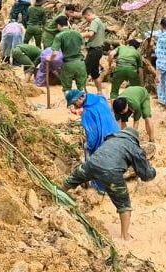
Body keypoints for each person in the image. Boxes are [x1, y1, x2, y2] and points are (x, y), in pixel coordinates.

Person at [63, 90, 156, 240]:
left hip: (93, 162)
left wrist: (88, 146)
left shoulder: (111, 136)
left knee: (71, 180)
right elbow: (146, 174)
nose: (75, 105)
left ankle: (57, 194)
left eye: (74, 103)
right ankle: (125, 237)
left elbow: (93, 137)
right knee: (124, 204)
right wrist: (152, 172)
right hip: (111, 172)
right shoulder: (100, 100)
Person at [50, 16, 87, 95]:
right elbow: (83, 48)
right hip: (80, 63)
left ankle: (70, 102)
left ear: (58, 25)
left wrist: (49, 59)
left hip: (68, 64)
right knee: (81, 87)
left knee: (67, 88)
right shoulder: (77, 33)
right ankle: (83, 101)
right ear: (68, 23)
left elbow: (55, 53)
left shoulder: (59, 36)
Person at [82, 7, 106, 95]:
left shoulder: (94, 22)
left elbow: (91, 34)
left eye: (85, 17)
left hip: (94, 50)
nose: (86, 20)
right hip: (98, 50)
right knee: (94, 73)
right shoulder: (99, 21)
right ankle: (99, 92)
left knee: (84, 71)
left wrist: (79, 34)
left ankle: (82, 93)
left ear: (89, 14)